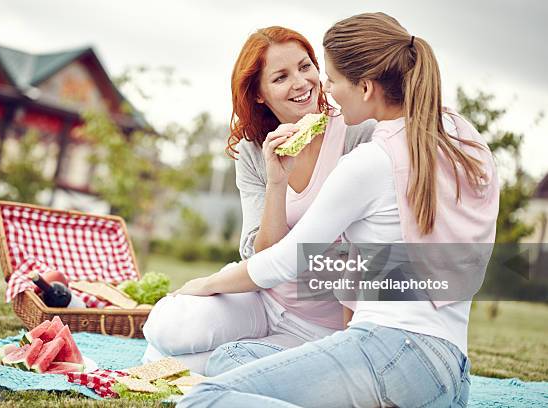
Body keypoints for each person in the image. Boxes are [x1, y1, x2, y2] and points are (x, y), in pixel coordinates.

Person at [175, 12, 499, 407]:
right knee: (233, 359)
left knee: (203, 398)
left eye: (331, 78)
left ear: (364, 87)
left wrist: (206, 284)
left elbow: (283, 262)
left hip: (390, 353)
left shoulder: (370, 162)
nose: (324, 89)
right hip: (450, 372)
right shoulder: (465, 143)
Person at [141, 26, 375, 375]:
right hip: (262, 298)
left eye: (305, 66)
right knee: (168, 326)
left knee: (201, 368)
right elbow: (262, 255)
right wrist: (276, 182)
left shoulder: (356, 132)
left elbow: (369, 255)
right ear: (260, 95)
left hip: (324, 327)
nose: (301, 82)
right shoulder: (253, 151)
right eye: (281, 77)